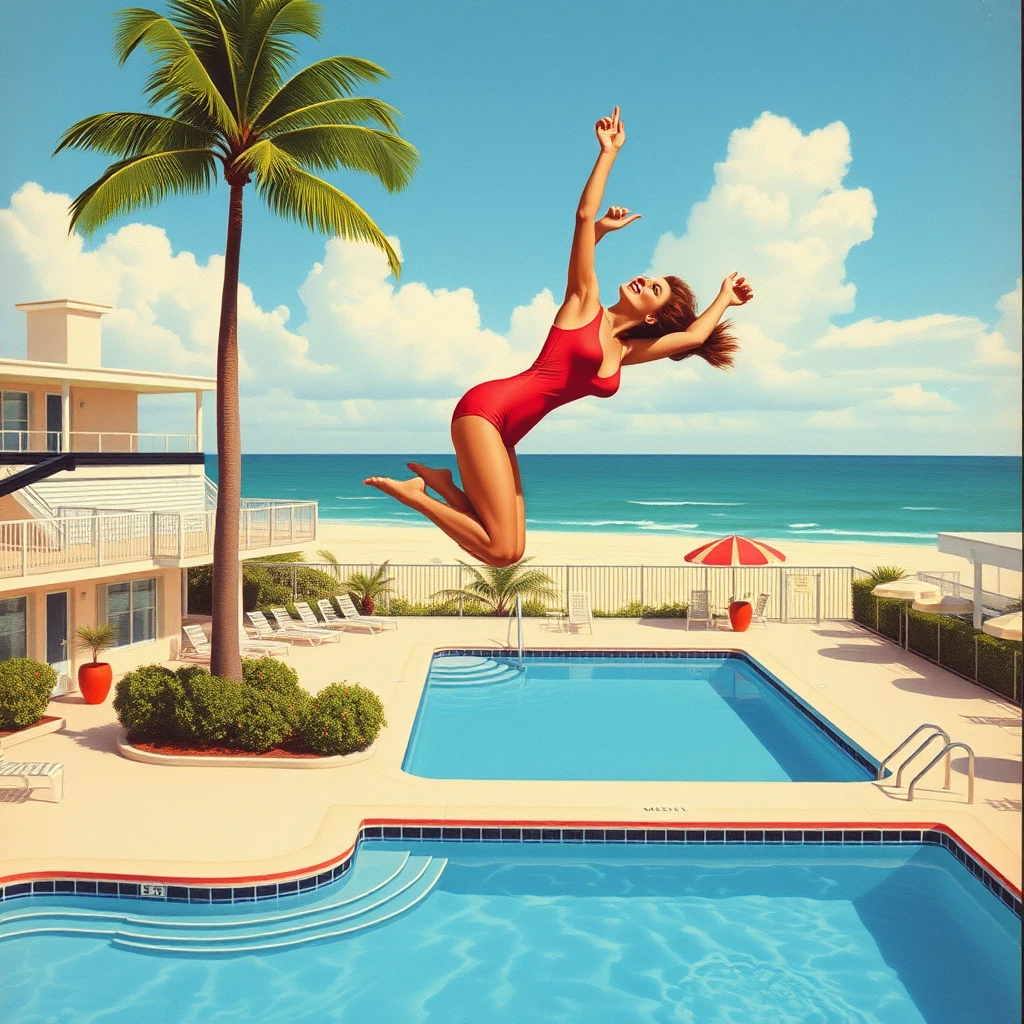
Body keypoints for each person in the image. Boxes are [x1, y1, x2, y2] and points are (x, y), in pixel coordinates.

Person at [365, 106, 754, 566]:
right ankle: (418, 494)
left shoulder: (626, 350)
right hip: (485, 412)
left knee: (509, 548)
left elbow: (692, 338)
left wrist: (723, 299)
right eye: (650, 277)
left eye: (654, 289)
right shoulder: (584, 302)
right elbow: (583, 217)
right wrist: (607, 155)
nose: (643, 280)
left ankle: (444, 484)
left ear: (654, 317)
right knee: (501, 550)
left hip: (506, 433)